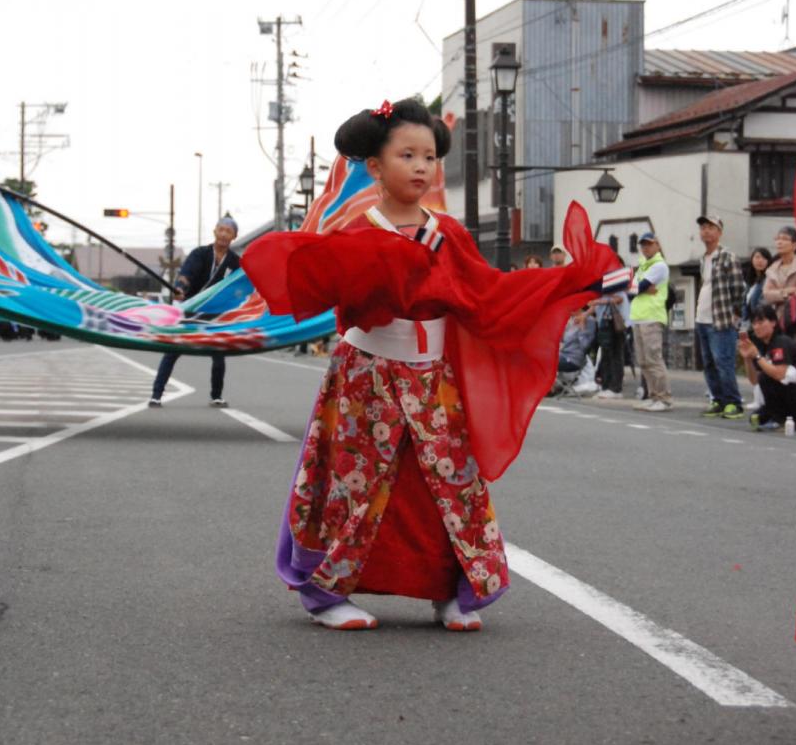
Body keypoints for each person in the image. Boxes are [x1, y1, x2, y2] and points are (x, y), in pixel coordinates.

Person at [242, 97, 620, 632]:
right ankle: (327, 594)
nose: (421, 167)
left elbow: (492, 294)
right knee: (358, 482)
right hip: (366, 374)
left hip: (431, 376)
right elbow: (330, 295)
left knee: (445, 483)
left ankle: (450, 590)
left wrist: (576, 282)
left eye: (428, 157)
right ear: (374, 166)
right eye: (407, 155)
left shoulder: (450, 233)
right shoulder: (355, 230)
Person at [148, 216, 241, 408]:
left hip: (215, 314)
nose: (223, 234)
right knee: (173, 350)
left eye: (228, 231)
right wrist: (180, 289)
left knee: (218, 354)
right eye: (221, 229)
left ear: (234, 237)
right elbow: (187, 274)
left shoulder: (234, 262)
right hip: (191, 309)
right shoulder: (200, 253)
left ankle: (216, 395)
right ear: (214, 231)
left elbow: (237, 289)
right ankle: (156, 394)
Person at [694, 214, 746, 419]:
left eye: (711, 227)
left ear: (719, 232)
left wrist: (735, 314)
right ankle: (717, 399)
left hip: (721, 319)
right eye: (703, 227)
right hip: (702, 317)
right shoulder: (702, 258)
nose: (706, 231)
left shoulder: (727, 256)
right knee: (708, 363)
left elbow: (738, 288)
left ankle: (734, 402)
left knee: (723, 361)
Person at [737, 303, 796, 432]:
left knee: (766, 377)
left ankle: (782, 419)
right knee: (756, 418)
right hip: (787, 397)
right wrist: (748, 357)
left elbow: (780, 374)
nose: (757, 327)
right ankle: (777, 417)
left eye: (761, 322)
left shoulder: (781, 342)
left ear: (773, 322)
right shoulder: (763, 346)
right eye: (754, 323)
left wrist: (756, 355)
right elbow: (754, 380)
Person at [630, 232, 671, 412]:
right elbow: (633, 289)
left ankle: (663, 397)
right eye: (643, 245)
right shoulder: (642, 266)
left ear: (657, 246)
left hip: (652, 317)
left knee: (654, 359)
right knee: (643, 360)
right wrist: (641, 288)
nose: (645, 247)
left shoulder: (659, 265)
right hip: (639, 317)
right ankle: (652, 395)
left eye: (649, 244)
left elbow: (638, 287)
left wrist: (641, 288)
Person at [589, 255, 629, 398]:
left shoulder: (618, 280)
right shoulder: (604, 280)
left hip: (615, 322)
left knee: (616, 354)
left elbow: (619, 298)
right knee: (606, 355)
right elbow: (596, 302)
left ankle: (615, 388)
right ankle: (606, 386)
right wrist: (585, 314)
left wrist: (598, 302)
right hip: (604, 321)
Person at [743, 246, 773, 411]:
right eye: (756, 257)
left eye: (763, 257)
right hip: (751, 327)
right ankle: (758, 397)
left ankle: (763, 399)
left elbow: (763, 305)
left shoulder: (768, 279)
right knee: (754, 362)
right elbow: (745, 305)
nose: (759, 261)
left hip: (763, 326)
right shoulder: (751, 282)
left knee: (762, 361)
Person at [762, 226, 796, 341]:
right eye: (777, 239)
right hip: (778, 321)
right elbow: (767, 295)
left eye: (784, 239)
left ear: (795, 245)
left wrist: (778, 295)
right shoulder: (772, 269)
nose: (779, 242)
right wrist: (786, 293)